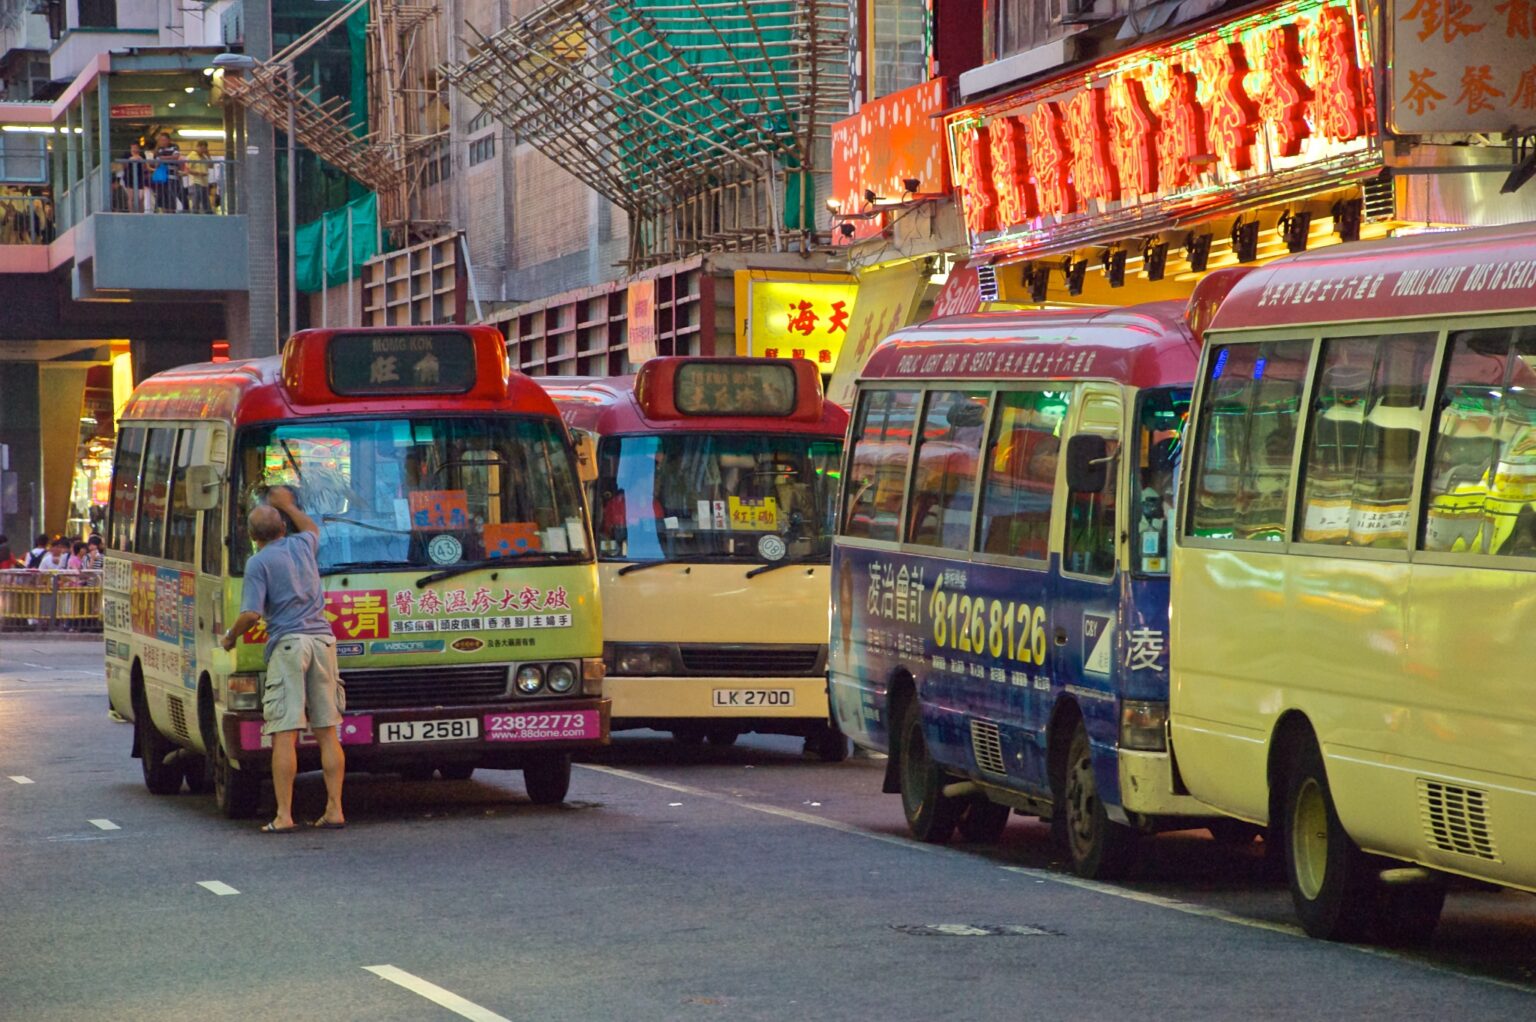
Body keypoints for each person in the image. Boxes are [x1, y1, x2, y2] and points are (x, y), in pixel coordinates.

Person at [220, 486, 346, 833]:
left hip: (289, 646)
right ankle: (334, 809)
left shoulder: (258, 562)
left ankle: (284, 815)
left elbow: (250, 614)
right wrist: (288, 505)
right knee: (327, 732)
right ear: (283, 529)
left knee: (284, 734)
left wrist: (230, 637)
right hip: (323, 642)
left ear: (250, 536)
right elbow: (312, 528)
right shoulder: (303, 544)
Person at [151, 132, 184, 212]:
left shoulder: (174, 147)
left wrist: (164, 158)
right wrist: (168, 158)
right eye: (161, 140)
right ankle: (164, 213)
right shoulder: (158, 149)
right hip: (162, 178)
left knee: (171, 198)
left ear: (169, 140)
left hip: (172, 177)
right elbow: (156, 161)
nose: (162, 142)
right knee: (162, 198)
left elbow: (176, 157)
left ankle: (172, 213)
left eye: (164, 140)